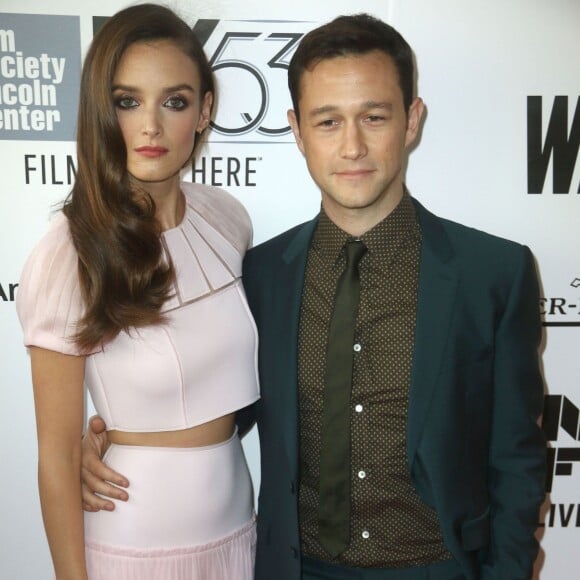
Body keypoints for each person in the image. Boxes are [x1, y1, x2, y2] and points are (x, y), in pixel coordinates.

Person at [81, 13, 546, 580]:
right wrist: (115, 443)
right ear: (298, 131)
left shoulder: (494, 273)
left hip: (443, 566)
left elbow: (518, 456)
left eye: (373, 117)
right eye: (328, 122)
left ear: (412, 120)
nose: (352, 146)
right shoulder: (258, 274)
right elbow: (220, 401)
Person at [16, 4, 259, 580]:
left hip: (239, 530)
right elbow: (56, 456)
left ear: (204, 112)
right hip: (132, 542)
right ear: (103, 111)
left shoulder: (229, 219)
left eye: (173, 101)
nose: (150, 126)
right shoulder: (67, 252)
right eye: (127, 102)